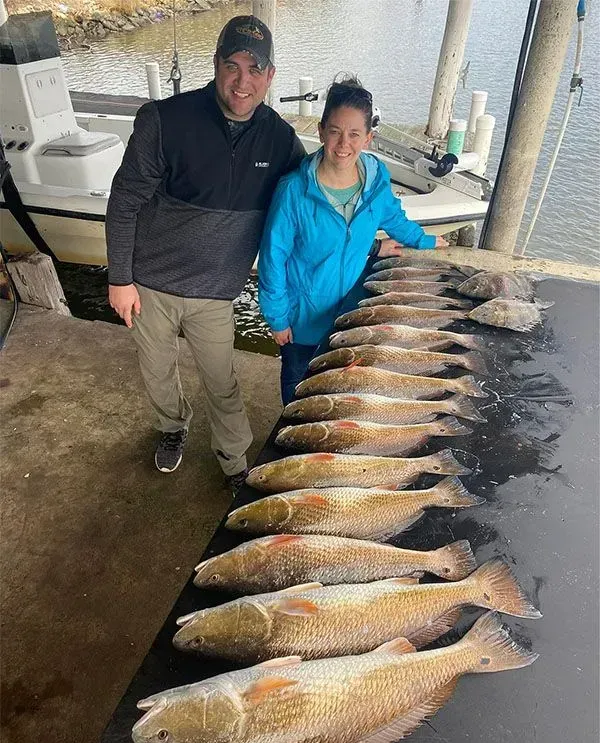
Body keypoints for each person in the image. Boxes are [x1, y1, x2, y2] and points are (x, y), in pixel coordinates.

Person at [105, 15, 307, 493]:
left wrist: (371, 234)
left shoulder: (280, 140)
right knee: (157, 372)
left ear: (270, 76)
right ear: (215, 64)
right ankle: (172, 427)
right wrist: (119, 279)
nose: (242, 82)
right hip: (149, 285)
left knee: (223, 382)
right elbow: (124, 200)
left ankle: (234, 460)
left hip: (215, 293)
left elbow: (311, 202)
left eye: (254, 70)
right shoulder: (164, 120)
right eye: (232, 65)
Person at [258, 76, 449, 405]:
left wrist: (426, 241)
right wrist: (277, 318)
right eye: (335, 131)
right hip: (303, 322)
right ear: (321, 132)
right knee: (298, 393)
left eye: (354, 134)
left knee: (343, 391)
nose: (343, 143)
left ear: (368, 138)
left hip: (352, 315)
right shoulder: (293, 191)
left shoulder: (376, 181)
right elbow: (273, 260)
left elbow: (394, 218)